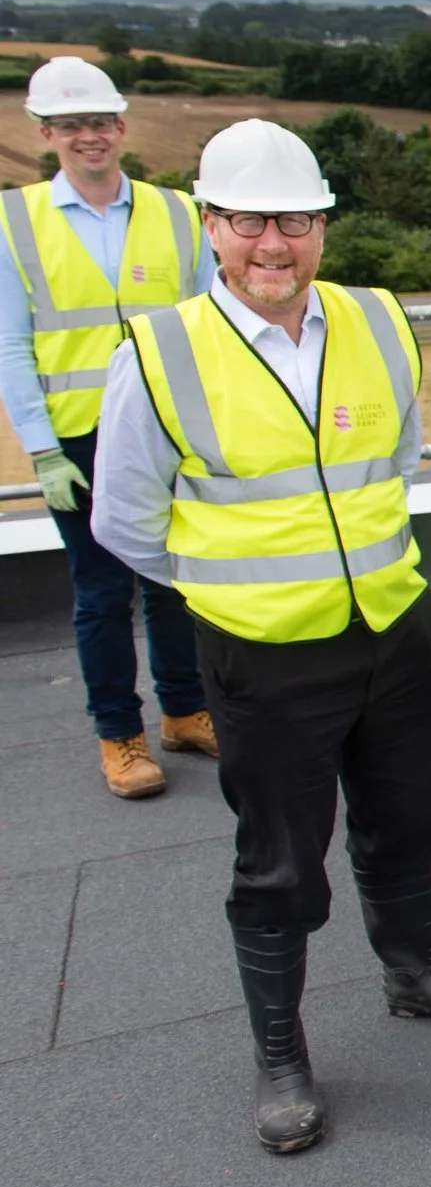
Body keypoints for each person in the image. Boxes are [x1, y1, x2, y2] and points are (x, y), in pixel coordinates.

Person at [88, 120, 431, 1154]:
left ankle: (416, 969)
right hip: (266, 653)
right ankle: (280, 1054)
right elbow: (124, 520)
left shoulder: (377, 320)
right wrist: (233, 592)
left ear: (322, 226)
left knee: (408, 819)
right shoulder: (160, 352)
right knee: (281, 864)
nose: (273, 242)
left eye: (295, 219)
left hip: (390, 624)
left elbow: (398, 459)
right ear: (212, 225)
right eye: (250, 221)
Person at [2, 56, 219, 798]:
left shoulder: (177, 213)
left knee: (171, 582)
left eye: (98, 122)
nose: (87, 136)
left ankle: (185, 711)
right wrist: (41, 449)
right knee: (100, 594)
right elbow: (11, 344)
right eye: (71, 125)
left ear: (120, 126)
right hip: (79, 439)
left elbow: (206, 323)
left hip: (165, 428)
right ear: (46, 134)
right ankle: (119, 736)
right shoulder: (13, 220)